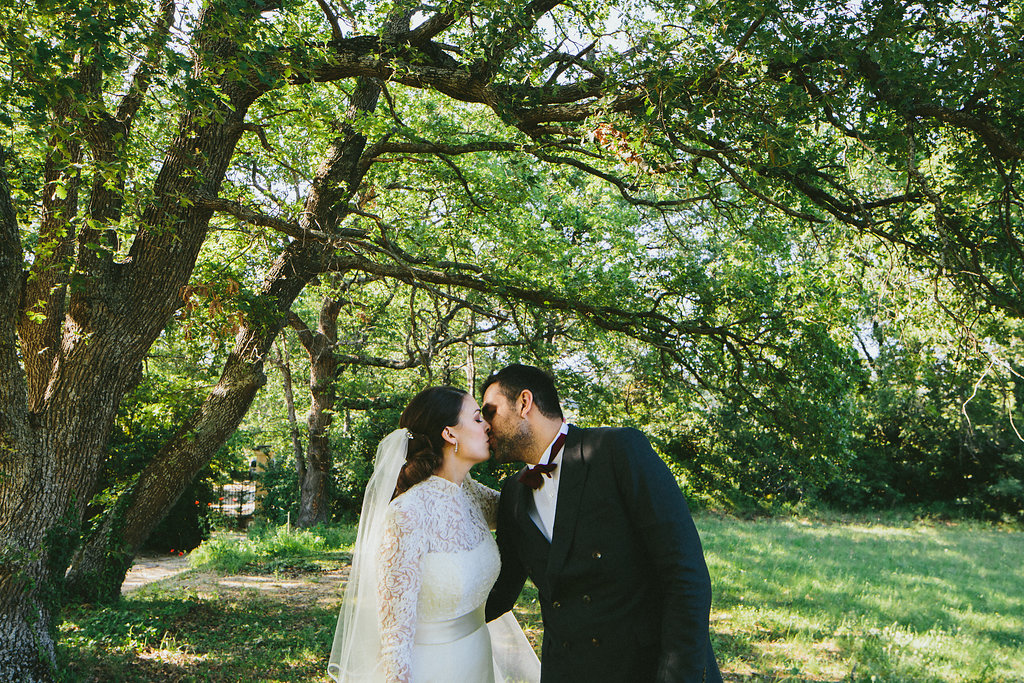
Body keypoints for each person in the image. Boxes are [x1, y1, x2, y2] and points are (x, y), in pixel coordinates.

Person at [482, 365, 723, 683]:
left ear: (524, 403)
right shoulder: (514, 494)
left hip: (645, 670)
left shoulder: (617, 451)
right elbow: (500, 591)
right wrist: (430, 620)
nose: (484, 425)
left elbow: (685, 574)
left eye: (490, 412)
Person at [328, 385, 540, 683]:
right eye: (477, 418)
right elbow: (395, 633)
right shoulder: (407, 513)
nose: (488, 426)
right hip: (433, 668)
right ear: (449, 434)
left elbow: (526, 505)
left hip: (478, 657)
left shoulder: (470, 493)